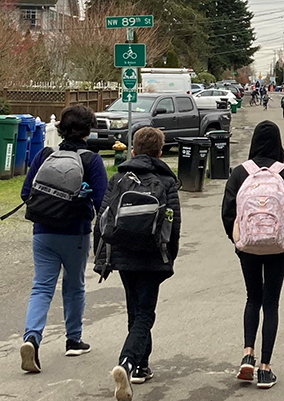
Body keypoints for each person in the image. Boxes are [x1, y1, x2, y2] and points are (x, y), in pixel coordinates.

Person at [93, 127, 181, 401]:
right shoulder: (165, 181)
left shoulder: (119, 178)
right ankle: (128, 363)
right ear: (159, 152)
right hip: (153, 255)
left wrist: (103, 258)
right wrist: (170, 257)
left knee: (135, 309)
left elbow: (103, 218)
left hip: (122, 252)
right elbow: (173, 224)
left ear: (133, 150)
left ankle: (142, 366)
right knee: (145, 314)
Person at [20, 104, 108, 373]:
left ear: (60, 129)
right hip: (74, 234)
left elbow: (27, 194)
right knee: (74, 286)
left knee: (41, 287)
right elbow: (101, 203)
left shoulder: (45, 155)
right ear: (88, 130)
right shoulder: (91, 161)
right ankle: (73, 339)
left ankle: (32, 338)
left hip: (42, 233)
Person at [221, 120, 284, 389]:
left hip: (247, 247)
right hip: (278, 248)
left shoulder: (239, 173)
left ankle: (247, 353)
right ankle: (265, 368)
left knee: (252, 297)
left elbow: (227, 213)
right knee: (271, 303)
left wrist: (238, 242)